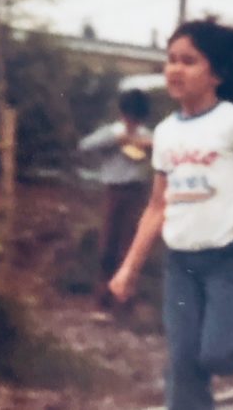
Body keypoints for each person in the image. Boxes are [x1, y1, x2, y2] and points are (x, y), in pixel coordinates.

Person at [108, 18, 233, 410]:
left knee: (219, 355)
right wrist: (128, 268)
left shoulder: (232, 122)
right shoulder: (166, 132)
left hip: (227, 261)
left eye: (189, 61)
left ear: (215, 74)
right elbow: (157, 206)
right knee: (184, 366)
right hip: (180, 266)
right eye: (171, 60)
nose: (175, 69)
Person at [78, 88, 153, 309]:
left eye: (136, 117)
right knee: (108, 243)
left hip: (137, 192)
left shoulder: (147, 135)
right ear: (122, 113)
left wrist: (146, 144)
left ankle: (126, 299)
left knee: (129, 245)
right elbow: (85, 145)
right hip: (113, 192)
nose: (132, 121)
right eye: (129, 116)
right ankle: (102, 297)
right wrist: (115, 139)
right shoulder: (112, 132)